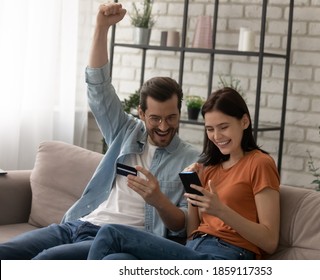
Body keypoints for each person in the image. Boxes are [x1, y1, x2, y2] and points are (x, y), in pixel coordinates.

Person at [0, 3, 199, 260]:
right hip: (78, 223)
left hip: (118, 239)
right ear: (141, 113)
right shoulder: (125, 130)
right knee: (6, 252)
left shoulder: (191, 160)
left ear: (180, 111)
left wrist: (158, 199)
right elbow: (98, 87)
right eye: (155, 118)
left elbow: (183, 224)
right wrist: (101, 27)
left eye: (171, 117)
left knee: (44, 262)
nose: (164, 126)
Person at [87, 87, 280, 260]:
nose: (217, 136)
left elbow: (270, 242)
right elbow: (191, 233)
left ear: (244, 121)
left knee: (111, 233)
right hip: (195, 248)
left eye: (224, 127)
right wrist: (192, 190)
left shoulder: (260, 163)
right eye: (210, 129)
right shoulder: (209, 168)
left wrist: (221, 210)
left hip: (227, 255)